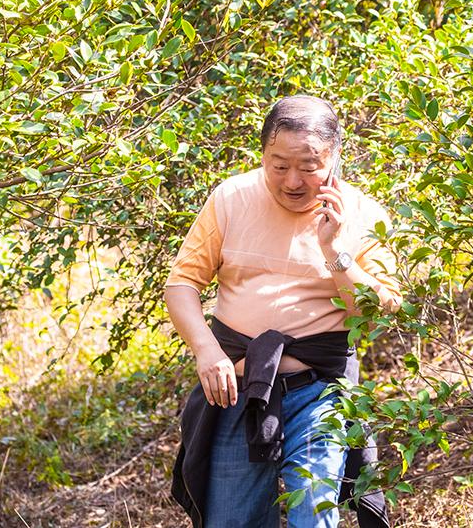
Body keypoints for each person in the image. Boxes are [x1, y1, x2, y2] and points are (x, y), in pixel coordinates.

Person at [164, 95, 402, 528]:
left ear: (333, 159)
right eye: (279, 166)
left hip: (319, 391)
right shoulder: (231, 198)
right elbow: (181, 284)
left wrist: (336, 250)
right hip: (236, 387)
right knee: (232, 520)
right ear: (262, 156)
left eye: (309, 166)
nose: (293, 181)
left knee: (316, 513)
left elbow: (379, 313)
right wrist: (206, 351)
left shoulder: (362, 214)